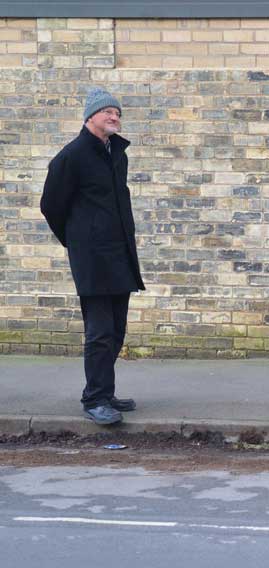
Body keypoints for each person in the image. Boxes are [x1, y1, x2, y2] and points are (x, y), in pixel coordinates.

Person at [40, 87, 145, 424]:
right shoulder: (71, 156)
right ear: (90, 117)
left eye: (117, 112)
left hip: (119, 254)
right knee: (99, 331)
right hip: (93, 258)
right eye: (107, 112)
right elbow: (51, 205)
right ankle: (94, 399)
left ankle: (105, 390)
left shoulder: (117, 154)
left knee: (116, 329)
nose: (114, 117)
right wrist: (77, 241)